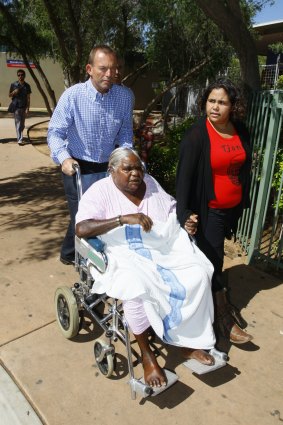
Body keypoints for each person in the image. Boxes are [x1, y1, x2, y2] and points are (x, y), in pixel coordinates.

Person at [76, 147, 217, 388]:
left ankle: (187, 340)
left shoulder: (150, 183)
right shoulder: (99, 191)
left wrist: (186, 223)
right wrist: (123, 219)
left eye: (138, 168)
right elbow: (82, 229)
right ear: (111, 171)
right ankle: (146, 354)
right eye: (127, 168)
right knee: (136, 287)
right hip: (121, 252)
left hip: (158, 248)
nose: (135, 174)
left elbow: (170, 211)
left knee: (198, 273)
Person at [176, 78, 253, 345]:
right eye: (211, 101)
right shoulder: (197, 136)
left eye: (222, 102)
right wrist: (184, 213)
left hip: (231, 209)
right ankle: (222, 319)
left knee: (214, 260)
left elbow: (244, 166)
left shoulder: (240, 130)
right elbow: (183, 179)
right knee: (213, 263)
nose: (215, 107)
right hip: (210, 211)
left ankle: (214, 310)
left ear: (233, 106)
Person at [47, 45, 134, 266]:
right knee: (85, 217)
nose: (109, 74)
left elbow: (125, 133)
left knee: (102, 214)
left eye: (113, 69)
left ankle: (69, 252)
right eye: (103, 68)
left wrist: (127, 157)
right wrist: (63, 157)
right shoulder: (73, 96)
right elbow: (55, 132)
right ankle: (88, 266)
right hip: (77, 166)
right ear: (89, 69)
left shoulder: (124, 96)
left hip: (108, 166)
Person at [8, 69, 31, 145]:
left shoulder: (27, 86)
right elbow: (9, 95)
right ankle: (20, 138)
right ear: (17, 76)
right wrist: (14, 92)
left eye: (22, 75)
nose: (20, 76)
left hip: (24, 107)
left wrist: (28, 108)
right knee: (18, 123)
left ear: (24, 76)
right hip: (16, 107)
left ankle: (20, 135)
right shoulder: (13, 84)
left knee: (22, 124)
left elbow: (28, 98)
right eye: (19, 75)